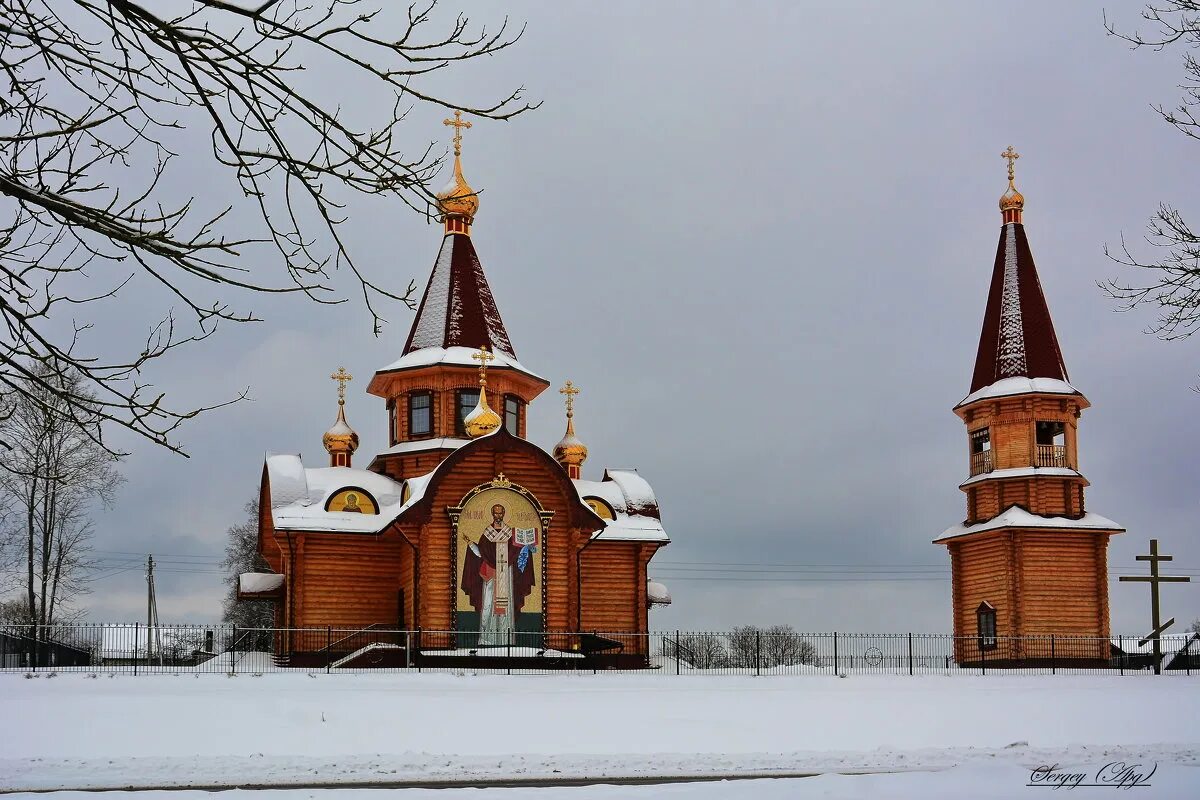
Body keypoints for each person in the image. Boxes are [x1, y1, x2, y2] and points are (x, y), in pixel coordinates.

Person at [460, 503, 536, 645]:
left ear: (504, 514)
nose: (498, 516)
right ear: (492, 514)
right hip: (491, 576)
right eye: (496, 513)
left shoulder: (510, 533)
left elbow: (517, 553)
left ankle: (505, 639)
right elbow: (482, 554)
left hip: (506, 575)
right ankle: (487, 639)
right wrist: (471, 544)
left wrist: (526, 548)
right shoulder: (487, 533)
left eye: (501, 513)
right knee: (488, 604)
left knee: (506, 606)